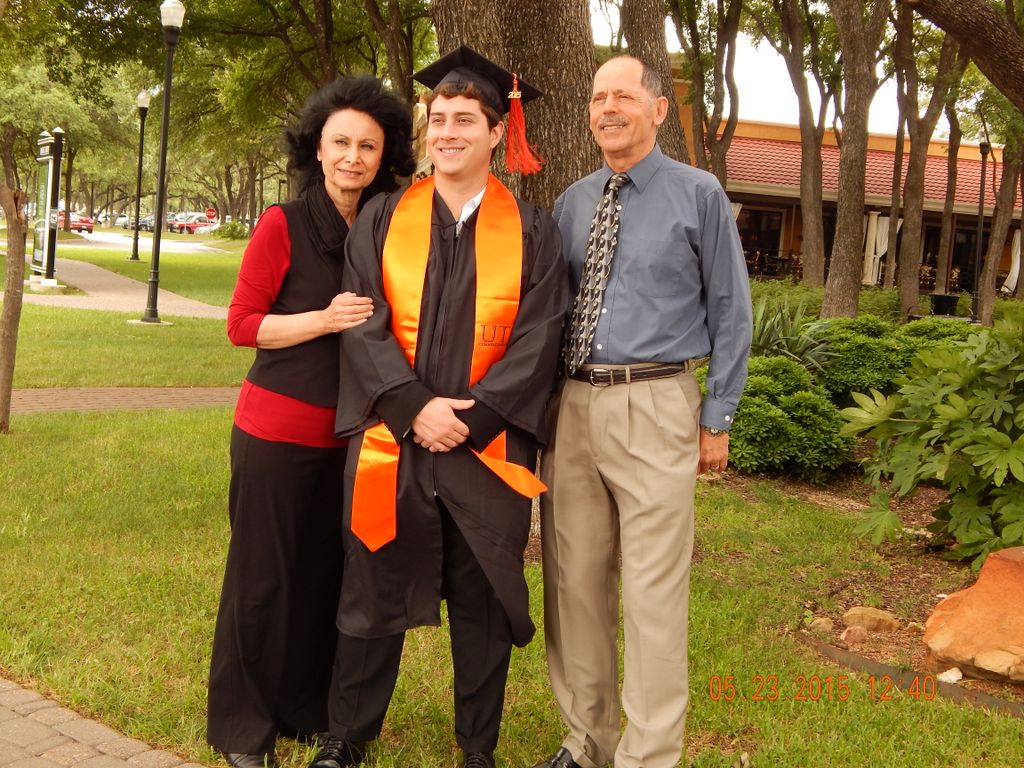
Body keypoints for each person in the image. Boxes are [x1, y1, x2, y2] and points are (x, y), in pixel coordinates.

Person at [307, 46, 567, 768]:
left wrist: (474, 419)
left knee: (483, 598)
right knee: (371, 584)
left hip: (486, 448)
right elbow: (361, 318)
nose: (448, 132)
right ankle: (347, 737)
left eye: (465, 120)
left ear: (497, 133)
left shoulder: (534, 230)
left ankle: (477, 748)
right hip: (394, 438)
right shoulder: (385, 217)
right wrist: (413, 406)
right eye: (439, 119)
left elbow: (542, 335)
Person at [533, 56, 752, 768]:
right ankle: (587, 740)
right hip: (572, 405)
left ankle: (648, 755)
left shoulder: (699, 193)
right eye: (599, 97)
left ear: (658, 110)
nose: (609, 108)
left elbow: (731, 309)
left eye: (624, 96)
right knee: (574, 582)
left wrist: (716, 417)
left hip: (656, 402)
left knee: (653, 592)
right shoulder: (572, 202)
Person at [207, 76, 415, 768]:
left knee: (324, 577)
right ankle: (242, 727)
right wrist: (324, 320)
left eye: (367, 146)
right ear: (317, 150)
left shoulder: (386, 227)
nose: (353, 156)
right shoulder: (283, 223)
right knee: (263, 580)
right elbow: (242, 325)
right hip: (275, 434)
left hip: (350, 439)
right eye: (340, 143)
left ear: (383, 155)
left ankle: (303, 709)